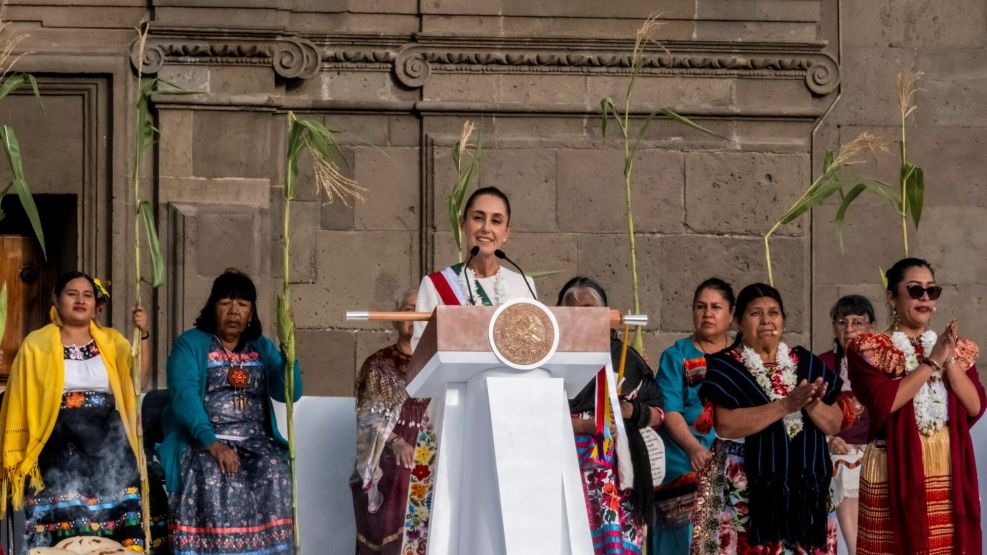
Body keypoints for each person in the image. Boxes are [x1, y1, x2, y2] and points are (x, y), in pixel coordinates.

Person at [403, 186, 536, 553]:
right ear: (464, 224)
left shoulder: (523, 285)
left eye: (496, 221)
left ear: (507, 232)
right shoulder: (437, 285)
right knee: (451, 505)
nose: (486, 228)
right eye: (478, 217)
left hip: (510, 417)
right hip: (454, 412)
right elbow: (420, 353)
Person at [0, 271, 160, 552]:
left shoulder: (113, 341)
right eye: (72, 294)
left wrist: (142, 334)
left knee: (116, 526)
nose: (80, 300)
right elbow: (20, 399)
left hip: (108, 442)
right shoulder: (35, 345)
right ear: (56, 300)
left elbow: (140, 382)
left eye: (87, 295)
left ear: (95, 303)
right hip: (56, 441)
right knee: (60, 526)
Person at [691, 283, 843, 555]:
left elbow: (834, 423)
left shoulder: (805, 363)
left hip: (805, 483)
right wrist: (786, 405)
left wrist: (811, 403)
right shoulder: (725, 366)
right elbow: (725, 425)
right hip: (747, 482)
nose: (766, 321)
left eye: (774, 313)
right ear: (739, 320)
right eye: (756, 314)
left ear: (783, 319)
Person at [158, 269, 302, 555]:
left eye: (243, 304)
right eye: (226, 302)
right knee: (217, 474)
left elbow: (288, 393)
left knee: (275, 468)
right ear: (213, 307)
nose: (234, 311)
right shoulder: (191, 343)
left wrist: (290, 359)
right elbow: (184, 395)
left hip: (256, 441)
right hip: (204, 440)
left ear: (251, 314)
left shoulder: (261, 346)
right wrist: (213, 443)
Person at [847, 258, 984, 555]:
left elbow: (974, 405)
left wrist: (947, 358)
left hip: (948, 465)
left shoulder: (953, 347)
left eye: (931, 291)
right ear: (891, 296)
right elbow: (886, 401)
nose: (924, 297)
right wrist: (931, 362)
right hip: (893, 465)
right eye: (914, 290)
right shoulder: (870, 348)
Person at [560, 277, 664, 555]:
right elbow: (538, 416)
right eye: (574, 310)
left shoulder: (625, 358)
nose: (583, 317)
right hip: (569, 465)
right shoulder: (554, 359)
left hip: (624, 473)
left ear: (607, 315)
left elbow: (659, 413)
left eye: (590, 309)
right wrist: (585, 425)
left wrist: (629, 411)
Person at [650, 278, 734, 555]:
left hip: (731, 452)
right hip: (683, 452)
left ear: (731, 314)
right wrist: (693, 448)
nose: (707, 313)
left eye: (715, 307)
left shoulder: (742, 357)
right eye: (701, 306)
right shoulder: (676, 356)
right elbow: (669, 410)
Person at [350, 288, 428, 555]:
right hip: (388, 449)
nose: (416, 316)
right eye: (409, 310)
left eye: (423, 309)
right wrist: (395, 442)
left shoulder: (439, 363)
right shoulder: (378, 365)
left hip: (432, 443)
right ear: (395, 318)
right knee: (403, 473)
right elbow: (368, 417)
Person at [818, 295, 874, 555]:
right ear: (834, 327)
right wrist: (829, 438)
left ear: (871, 327)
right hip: (834, 451)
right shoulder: (820, 365)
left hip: (877, 449)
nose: (849, 329)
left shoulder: (887, 365)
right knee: (843, 465)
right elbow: (803, 418)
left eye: (857, 322)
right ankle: (855, 550)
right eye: (842, 322)